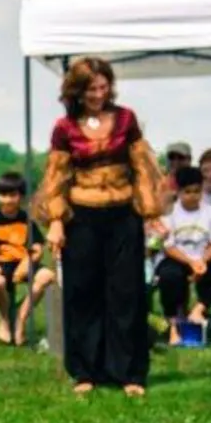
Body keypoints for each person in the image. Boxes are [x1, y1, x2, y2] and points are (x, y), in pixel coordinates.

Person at [36, 56, 165, 396]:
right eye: (91, 88)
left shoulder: (126, 119)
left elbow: (143, 167)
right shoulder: (65, 128)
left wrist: (151, 212)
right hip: (82, 217)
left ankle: (130, 372)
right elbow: (56, 179)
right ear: (77, 91)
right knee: (83, 293)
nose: (98, 93)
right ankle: (85, 371)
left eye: (103, 86)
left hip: (123, 215)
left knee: (127, 293)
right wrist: (56, 222)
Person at [0, 172, 55, 346]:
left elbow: (37, 248)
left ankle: (20, 319)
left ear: (21, 197)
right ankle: (5, 320)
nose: (8, 200)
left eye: (12, 195)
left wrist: (27, 263)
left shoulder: (27, 220)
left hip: (23, 262)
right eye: (3, 195)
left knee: (46, 275)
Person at [153, 167, 211, 345]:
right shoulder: (169, 213)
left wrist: (202, 261)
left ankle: (199, 309)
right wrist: (190, 262)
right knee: (170, 275)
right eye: (187, 192)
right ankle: (173, 325)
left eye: (197, 191)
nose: (193, 196)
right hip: (177, 258)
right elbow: (168, 246)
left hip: (203, 257)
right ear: (178, 192)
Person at [159, 141, 193, 213]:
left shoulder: (199, 181)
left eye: (180, 157)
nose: (176, 161)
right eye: (171, 157)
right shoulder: (158, 182)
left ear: (189, 159)